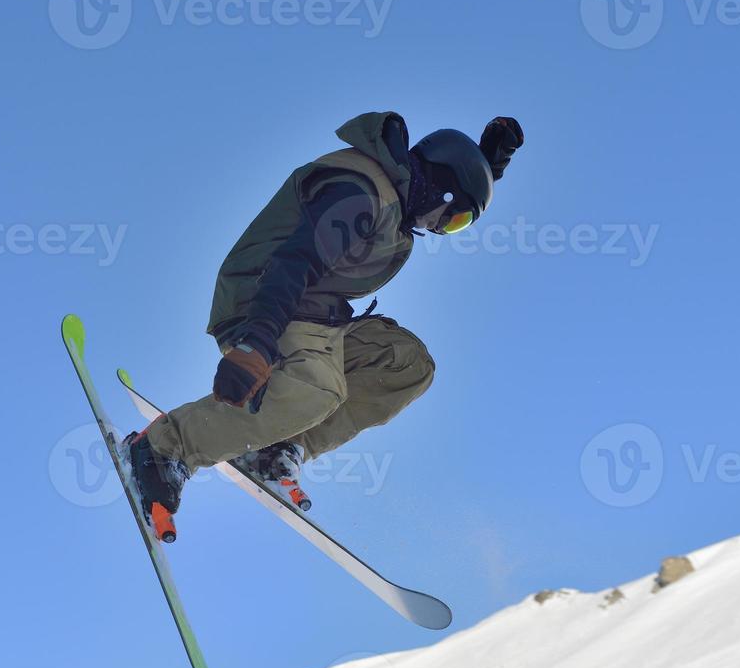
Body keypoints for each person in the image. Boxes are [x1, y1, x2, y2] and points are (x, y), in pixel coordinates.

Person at [127, 111, 524, 542]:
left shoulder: (401, 194)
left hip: (313, 313)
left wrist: (485, 165)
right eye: (453, 218)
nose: (442, 229)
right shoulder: (359, 193)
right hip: (264, 298)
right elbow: (295, 261)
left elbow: (439, 178)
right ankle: (164, 448)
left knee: (407, 363)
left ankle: (276, 447)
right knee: (318, 388)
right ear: (440, 188)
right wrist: (257, 342)